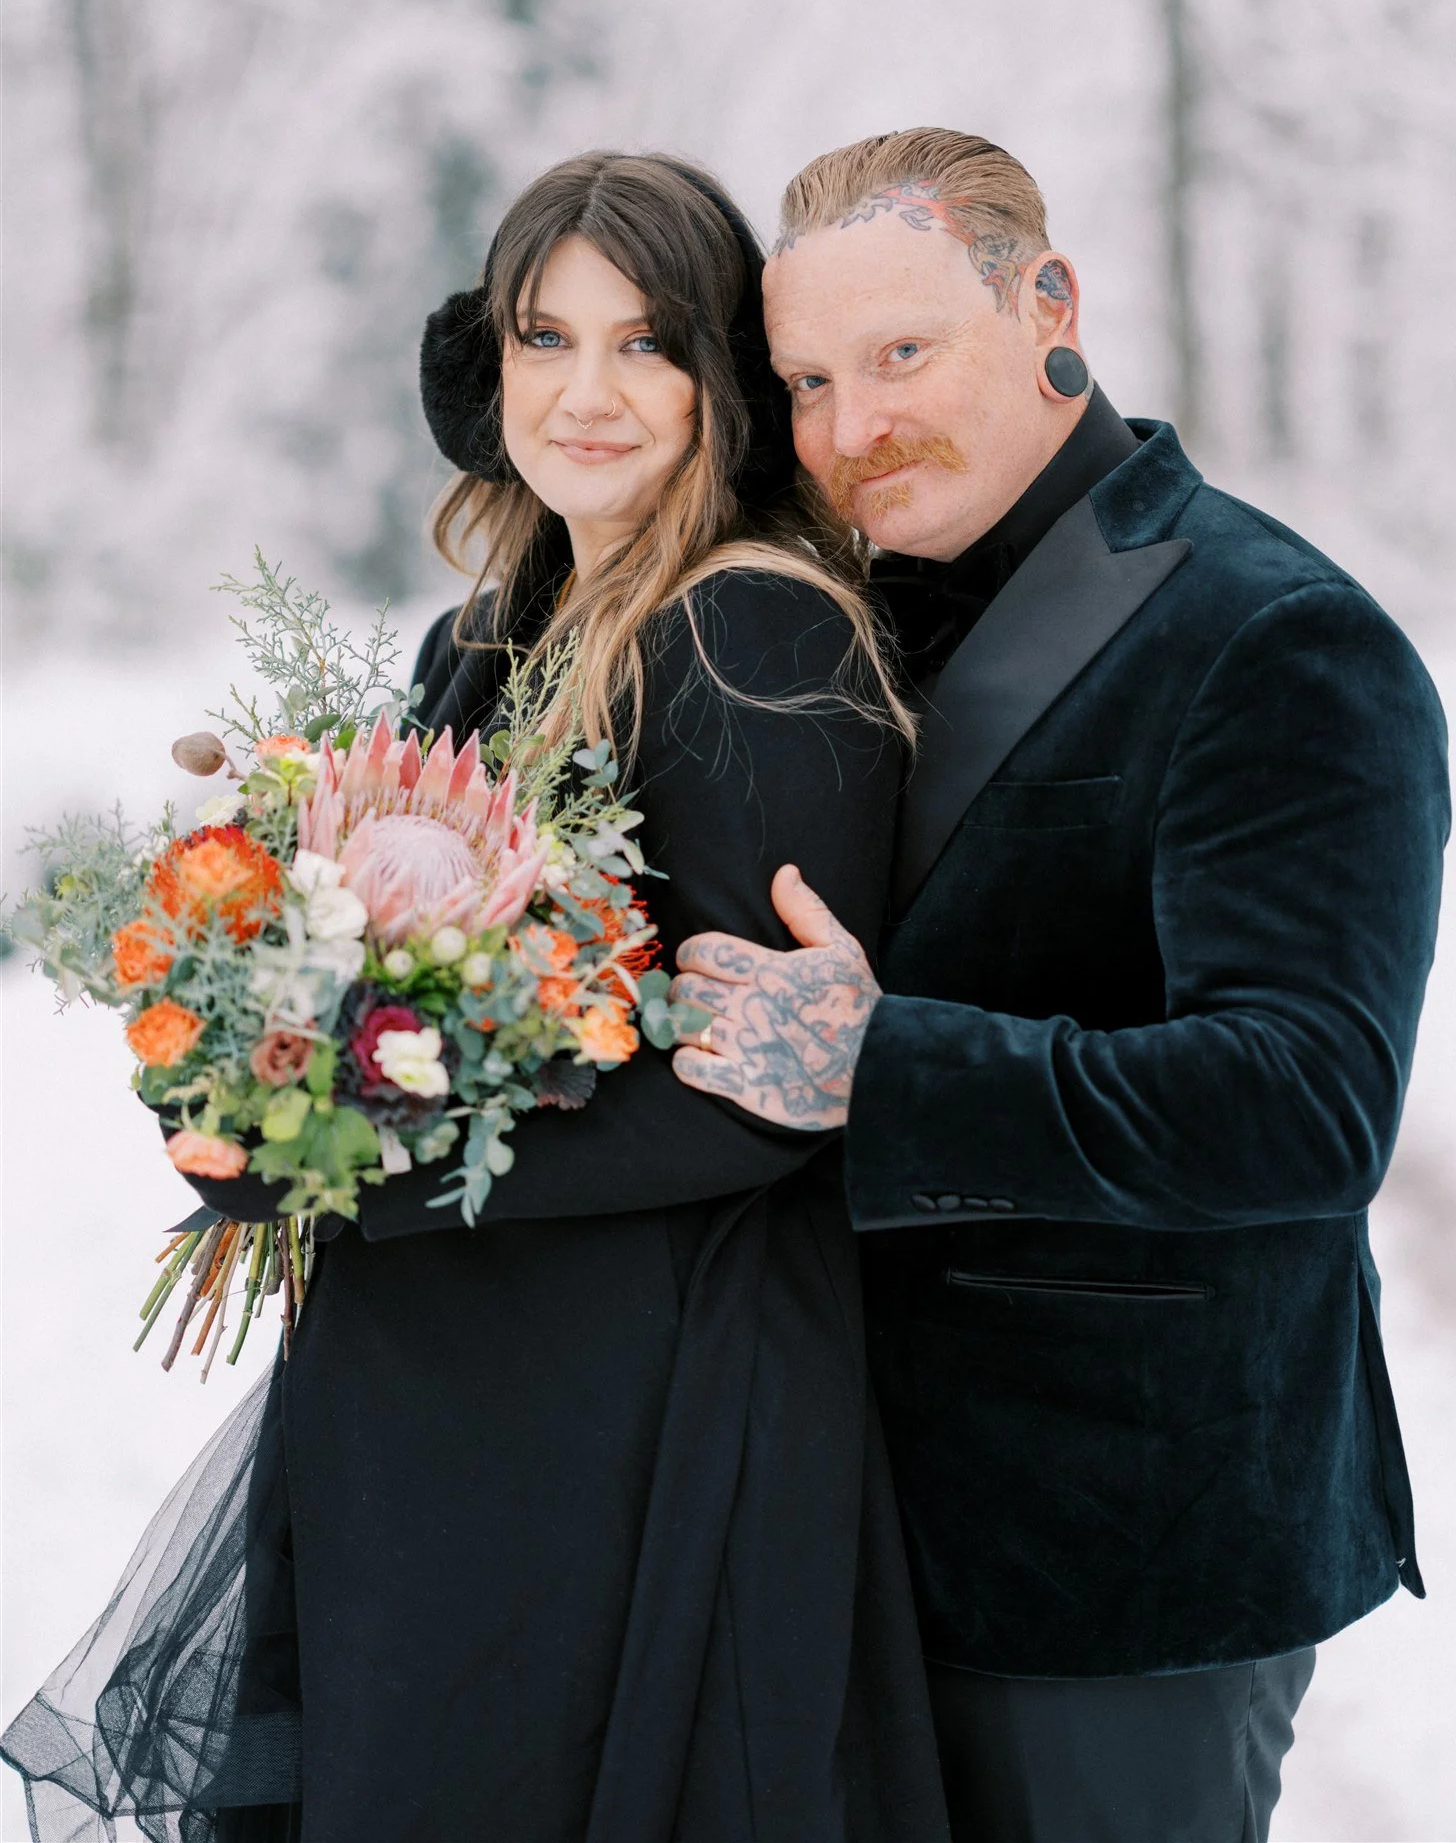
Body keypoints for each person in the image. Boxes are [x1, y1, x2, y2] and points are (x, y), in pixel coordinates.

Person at [1, 153, 951, 1843]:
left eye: (645, 344)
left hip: (629, 1409)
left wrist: (366, 1180)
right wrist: (255, 1066)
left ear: (720, 378)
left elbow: (754, 1097)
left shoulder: (753, 636)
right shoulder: (495, 627)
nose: (585, 393)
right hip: (443, 1391)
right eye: (542, 336)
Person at [670, 126, 1450, 1843]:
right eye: (806, 380)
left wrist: (889, 1071)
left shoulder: (1274, 634)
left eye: (900, 354)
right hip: (834, 1526)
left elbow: (1304, 1103)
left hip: (1122, 1552)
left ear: (1049, 306)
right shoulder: (821, 613)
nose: (851, 426)